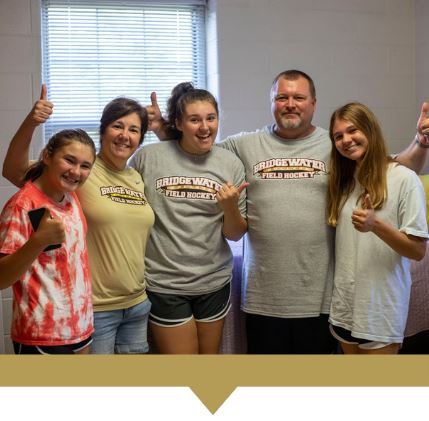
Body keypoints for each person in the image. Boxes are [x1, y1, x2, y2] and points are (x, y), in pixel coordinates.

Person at [147, 69, 429, 354]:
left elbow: (392, 169)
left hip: (319, 299)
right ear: (271, 102)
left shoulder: (334, 144)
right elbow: (198, 144)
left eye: (299, 97)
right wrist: (163, 129)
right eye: (282, 97)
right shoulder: (244, 144)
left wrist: (420, 142)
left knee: (313, 385)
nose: (290, 104)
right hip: (262, 297)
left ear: (313, 104)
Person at [2, 86, 155, 354]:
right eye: (117, 126)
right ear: (103, 130)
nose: (124, 135)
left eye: (134, 130)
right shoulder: (81, 173)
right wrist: (32, 122)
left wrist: (165, 128)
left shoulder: (136, 177)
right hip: (97, 308)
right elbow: (14, 171)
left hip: (136, 303)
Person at [131, 82, 248, 354]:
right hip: (164, 282)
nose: (205, 127)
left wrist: (230, 207)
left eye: (211, 118)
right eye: (194, 120)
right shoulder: (147, 158)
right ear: (178, 123)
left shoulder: (230, 163)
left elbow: (234, 234)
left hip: (213, 281)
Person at [326, 102, 428, 354]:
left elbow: (417, 251)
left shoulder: (404, 178)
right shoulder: (344, 182)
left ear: (369, 130)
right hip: (344, 310)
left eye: (353, 131)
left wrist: (376, 225)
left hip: (380, 312)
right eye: (338, 136)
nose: (346, 140)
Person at [0, 128, 96, 354]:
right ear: (47, 156)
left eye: (85, 166)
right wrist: (38, 242)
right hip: (41, 335)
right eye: (69, 160)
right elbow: (1, 278)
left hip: (81, 328)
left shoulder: (71, 197)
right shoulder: (23, 204)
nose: (76, 172)